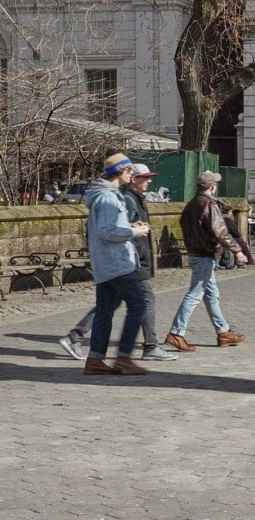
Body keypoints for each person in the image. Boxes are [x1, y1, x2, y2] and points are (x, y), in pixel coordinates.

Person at [80, 153, 152, 375]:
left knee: (104, 311)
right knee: (139, 305)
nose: (133, 174)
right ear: (119, 172)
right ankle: (123, 357)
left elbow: (109, 226)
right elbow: (107, 232)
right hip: (116, 263)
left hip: (106, 263)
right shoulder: (109, 198)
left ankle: (95, 359)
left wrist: (128, 225)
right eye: (130, 170)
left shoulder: (106, 196)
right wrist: (135, 231)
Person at [164, 171, 246, 352]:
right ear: (212, 187)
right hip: (205, 254)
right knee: (195, 294)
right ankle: (176, 333)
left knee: (211, 295)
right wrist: (237, 250)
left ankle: (223, 331)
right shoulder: (208, 203)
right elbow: (220, 231)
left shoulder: (191, 204)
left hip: (196, 253)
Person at [120, 163, 178, 360]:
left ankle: (75, 336)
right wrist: (135, 233)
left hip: (136, 260)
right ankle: (150, 346)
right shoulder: (129, 200)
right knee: (146, 300)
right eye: (146, 177)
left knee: (109, 302)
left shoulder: (136, 198)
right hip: (134, 261)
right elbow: (118, 230)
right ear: (134, 179)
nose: (150, 180)